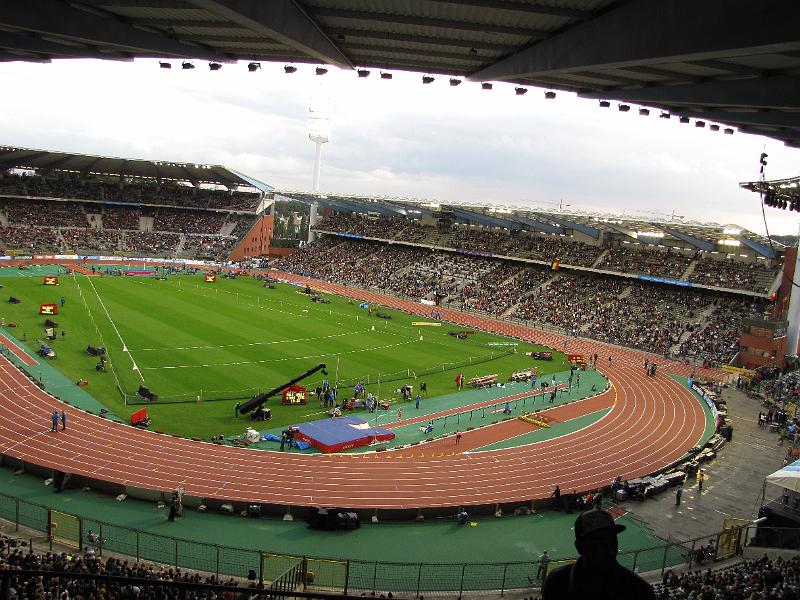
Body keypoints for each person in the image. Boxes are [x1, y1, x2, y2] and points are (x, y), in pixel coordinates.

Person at [542, 509, 655, 600]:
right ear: (579, 547)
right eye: (598, 544)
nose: (609, 550)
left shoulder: (640, 591)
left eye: (612, 541)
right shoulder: (555, 582)